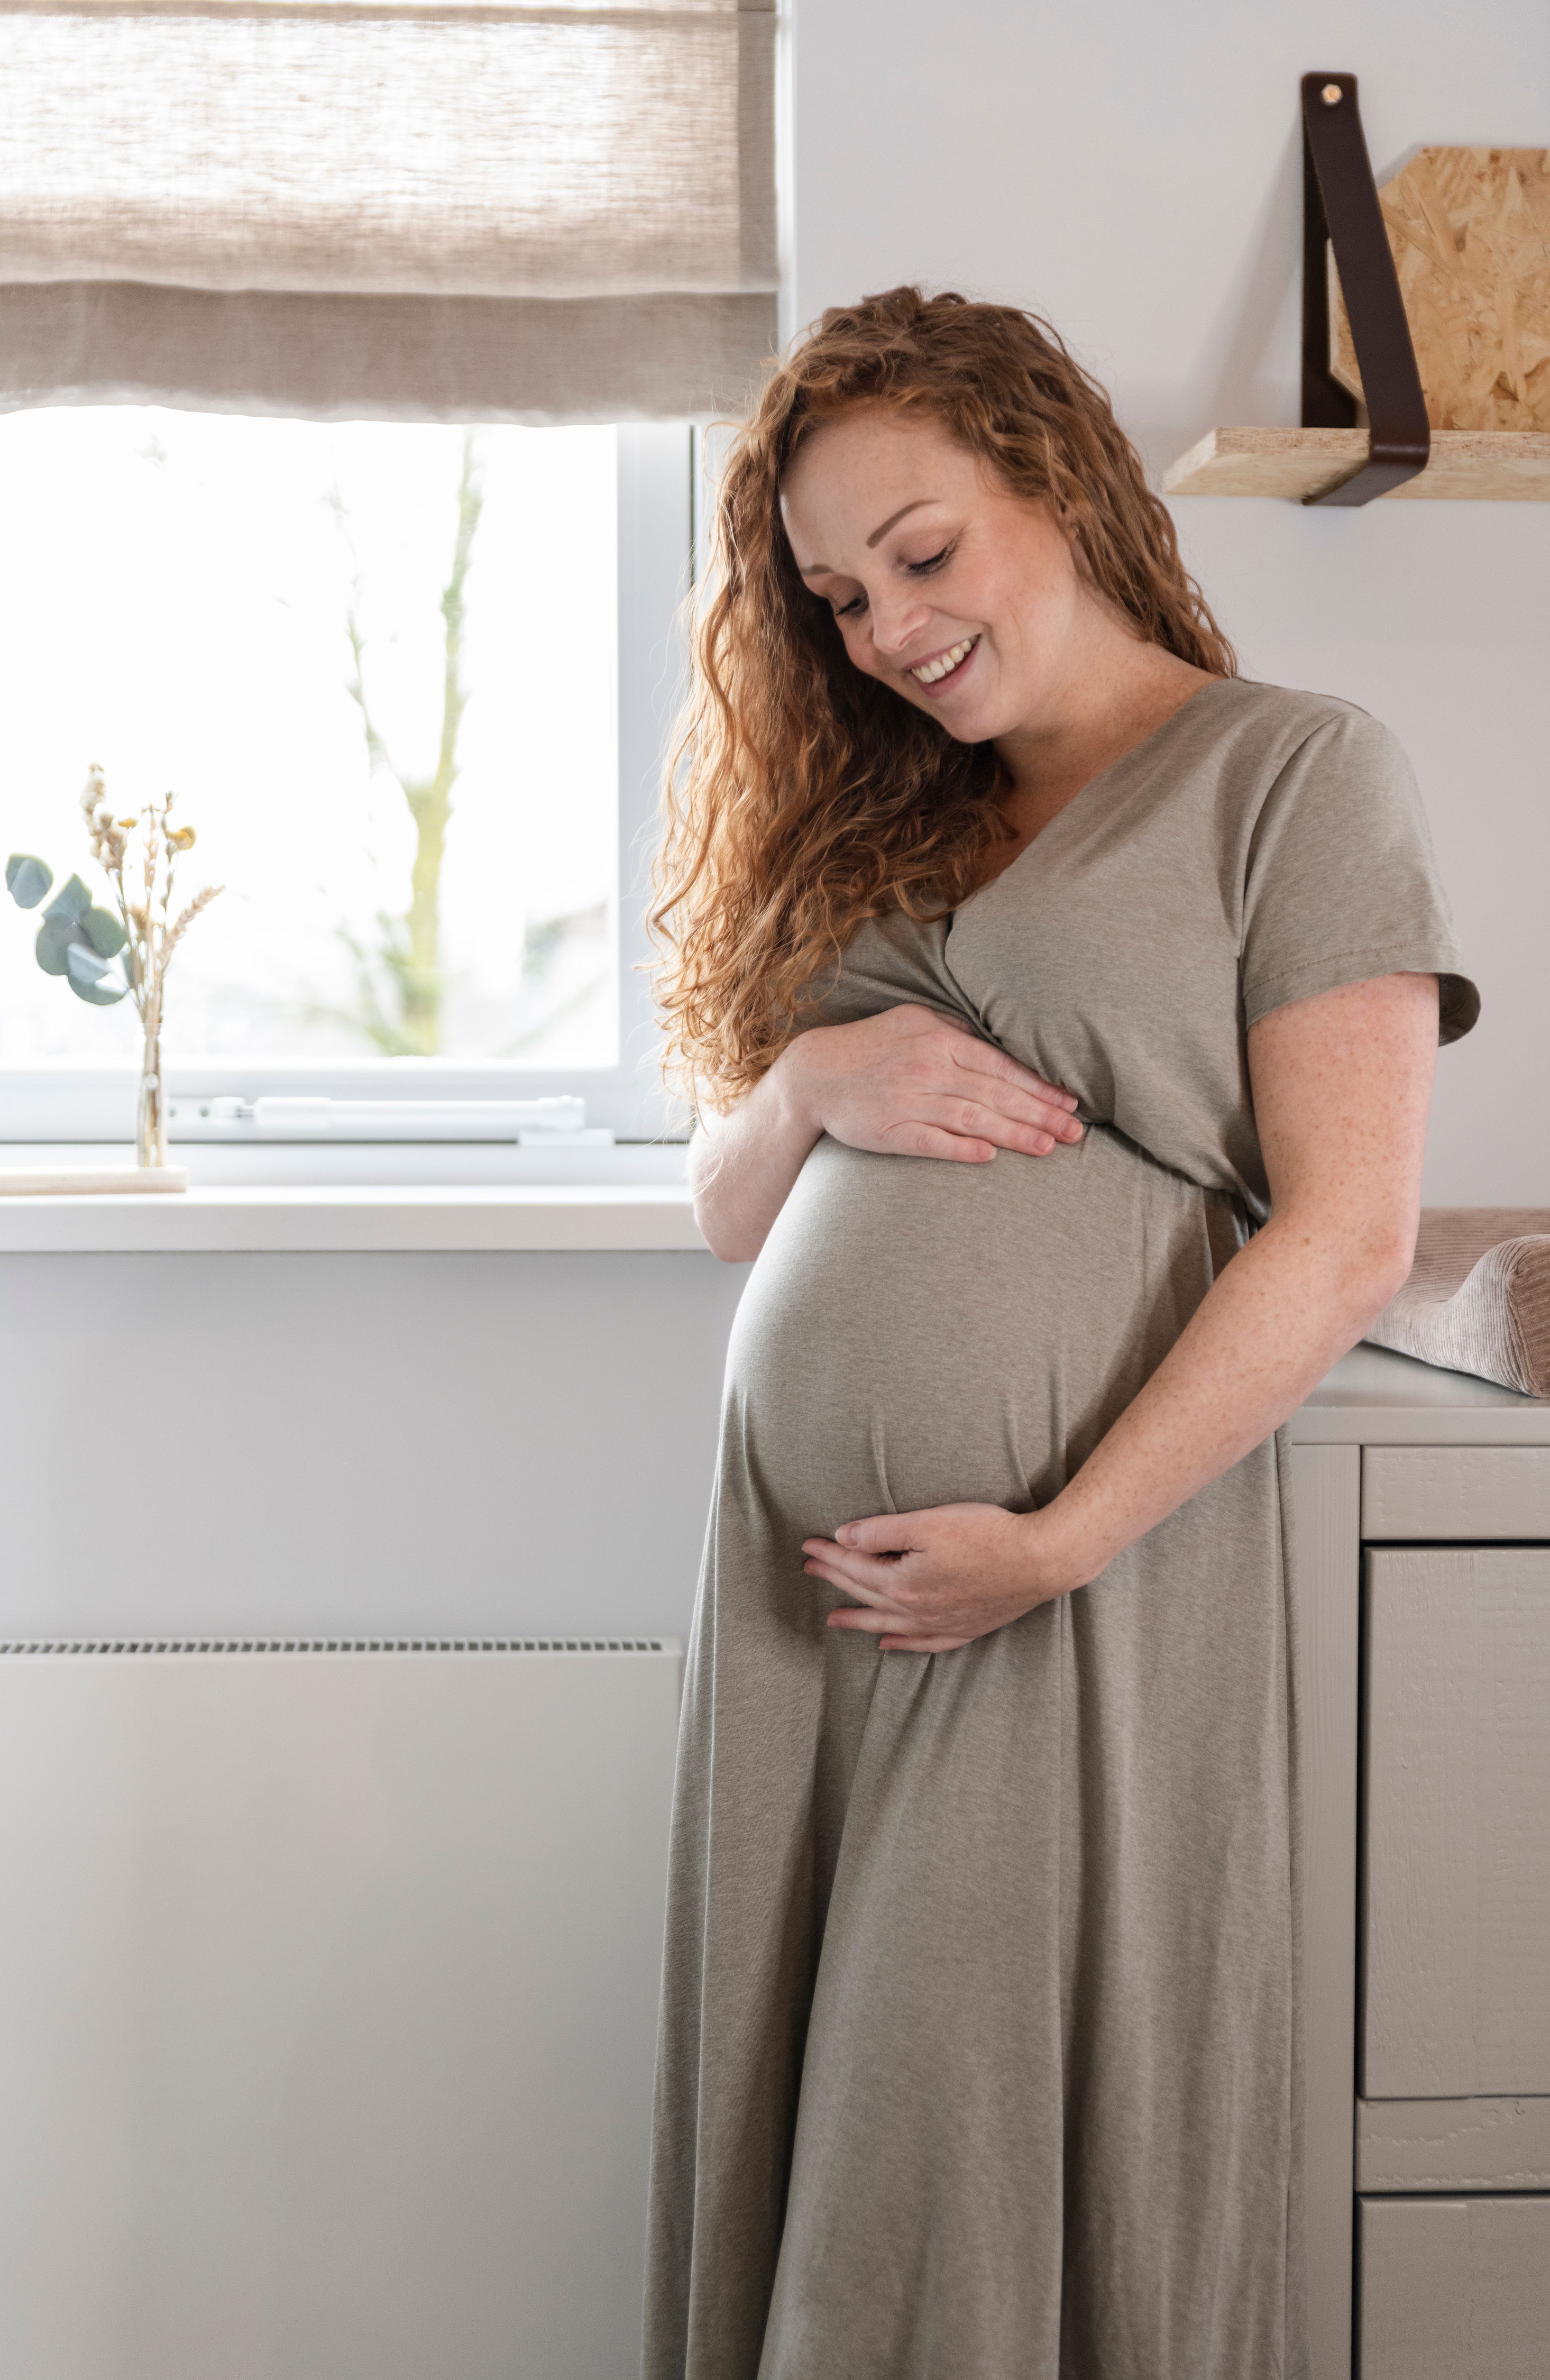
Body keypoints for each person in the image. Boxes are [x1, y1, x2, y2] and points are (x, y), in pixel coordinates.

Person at [643, 286, 1477, 2380]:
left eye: (922, 553)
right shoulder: (896, 811)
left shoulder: (1293, 771)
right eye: (838, 596)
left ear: (1060, 479)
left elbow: (1349, 1236)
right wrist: (812, 1089)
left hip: (1051, 1586)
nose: (889, 630)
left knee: (965, 2154)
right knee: (815, 2125)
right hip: (795, 1608)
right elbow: (725, 1213)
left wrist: (1062, 1541)